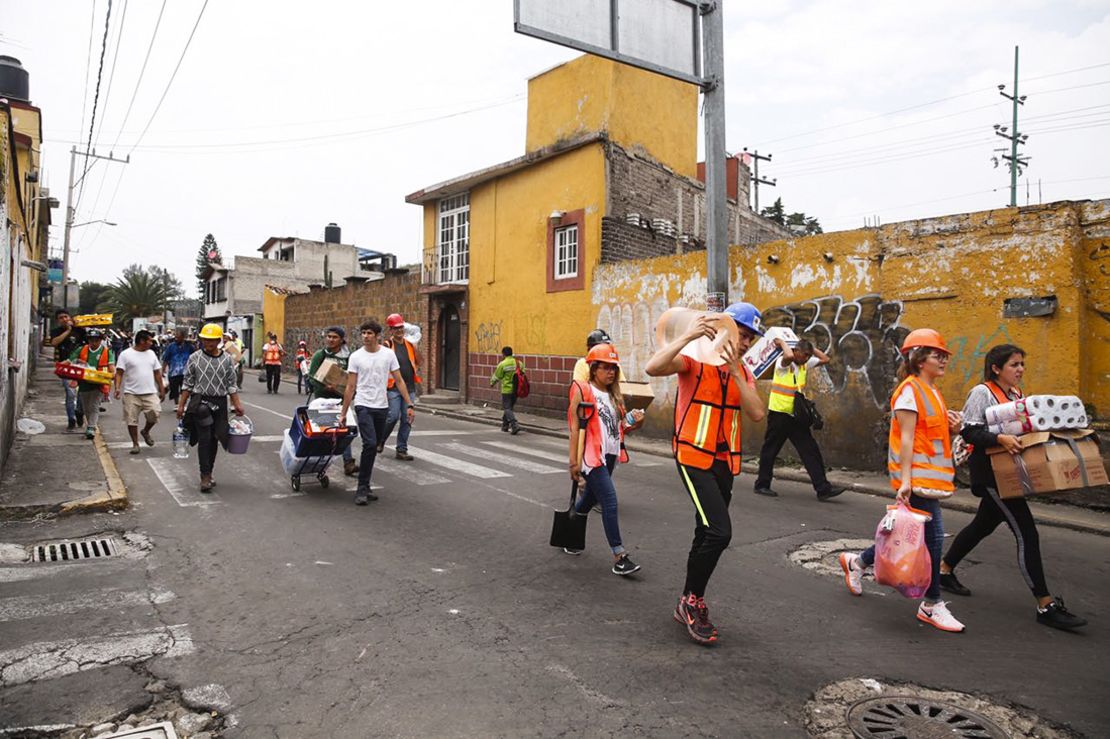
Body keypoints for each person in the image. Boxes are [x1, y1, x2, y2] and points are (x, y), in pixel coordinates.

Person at [939, 344, 1087, 631]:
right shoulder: (982, 392)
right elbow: (969, 430)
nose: (1020, 370)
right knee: (1027, 533)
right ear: (996, 368)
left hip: (1011, 472)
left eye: (1022, 365)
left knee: (983, 525)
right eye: (1014, 365)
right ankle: (1045, 605)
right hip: (991, 475)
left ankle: (944, 570)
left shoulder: (1017, 395)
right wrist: (1000, 440)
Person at [645, 303, 767, 645]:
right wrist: (688, 335)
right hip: (692, 454)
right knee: (718, 531)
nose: (745, 343)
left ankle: (689, 600)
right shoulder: (694, 361)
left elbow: (756, 413)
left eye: (750, 338)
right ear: (726, 329)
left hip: (724, 462)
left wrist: (735, 369)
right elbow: (652, 367)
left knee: (705, 531)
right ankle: (691, 600)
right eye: (741, 334)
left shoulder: (742, 370)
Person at [838, 329, 965, 633]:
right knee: (933, 539)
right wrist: (905, 482)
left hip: (930, 477)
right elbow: (906, 439)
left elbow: (930, 437)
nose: (944, 360)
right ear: (920, 359)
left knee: (924, 537)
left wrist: (955, 429)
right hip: (915, 477)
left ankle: (858, 562)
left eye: (944, 355)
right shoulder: (910, 391)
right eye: (938, 355)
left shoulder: (931, 390)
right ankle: (932, 604)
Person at [564, 343, 645, 575]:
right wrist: (574, 462)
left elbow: (617, 428)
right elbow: (574, 427)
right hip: (592, 457)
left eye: (613, 368)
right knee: (609, 501)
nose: (611, 372)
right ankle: (620, 556)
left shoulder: (614, 396)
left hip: (610, 455)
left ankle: (569, 537)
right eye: (605, 367)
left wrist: (635, 421)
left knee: (588, 500)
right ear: (593, 368)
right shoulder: (582, 389)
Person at [753, 338, 845, 500]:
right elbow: (788, 356)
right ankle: (762, 484)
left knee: (810, 451)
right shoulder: (783, 365)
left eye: (809, 356)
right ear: (795, 351)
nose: (807, 358)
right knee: (770, 450)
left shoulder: (804, 365)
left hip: (796, 417)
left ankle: (823, 488)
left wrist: (812, 348)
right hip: (779, 414)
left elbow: (825, 359)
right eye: (805, 355)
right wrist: (782, 342)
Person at [339, 319, 415, 506]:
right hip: (363, 405)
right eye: (363, 333)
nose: (366, 336)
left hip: (382, 406)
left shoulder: (388, 355)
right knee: (370, 444)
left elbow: (399, 380)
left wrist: (410, 404)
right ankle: (362, 488)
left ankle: (366, 486)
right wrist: (343, 412)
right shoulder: (356, 357)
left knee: (374, 445)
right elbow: (350, 386)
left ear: (377, 335)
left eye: (369, 333)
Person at [176, 323, 245, 492]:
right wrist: (181, 405)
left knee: (216, 438)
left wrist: (237, 405)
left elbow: (231, 385)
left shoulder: (227, 360)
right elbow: (188, 384)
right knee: (205, 438)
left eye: (212, 341)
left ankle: (210, 472)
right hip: (201, 402)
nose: (208, 344)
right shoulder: (194, 358)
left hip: (220, 402)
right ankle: (204, 476)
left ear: (219, 340)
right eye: (205, 340)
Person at [307, 326, 358, 476]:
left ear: (342, 340)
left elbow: (351, 379)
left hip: (341, 401)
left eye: (334, 337)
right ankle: (317, 464)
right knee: (325, 434)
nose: (330, 339)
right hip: (322, 401)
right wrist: (325, 386)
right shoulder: (320, 355)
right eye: (329, 336)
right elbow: (311, 377)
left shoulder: (348, 358)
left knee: (344, 431)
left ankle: (348, 463)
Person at [114, 330, 165, 455]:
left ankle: (146, 431)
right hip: (131, 393)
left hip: (150, 392)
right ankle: (135, 444)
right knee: (132, 420)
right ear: (142, 341)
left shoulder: (151, 354)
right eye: (149, 340)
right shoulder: (125, 354)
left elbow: (157, 373)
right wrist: (117, 388)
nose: (151, 343)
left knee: (155, 413)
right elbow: (119, 372)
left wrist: (161, 388)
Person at [380, 313, 422, 461]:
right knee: (392, 416)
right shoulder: (387, 345)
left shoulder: (410, 344)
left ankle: (401, 449)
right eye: (396, 328)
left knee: (407, 419)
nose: (399, 331)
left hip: (409, 387)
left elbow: (419, 361)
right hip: (393, 387)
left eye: (401, 327)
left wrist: (416, 348)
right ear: (390, 330)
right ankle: (381, 440)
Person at [69, 329, 116, 440]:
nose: (94, 342)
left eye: (97, 340)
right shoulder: (81, 350)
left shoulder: (106, 351)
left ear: (100, 340)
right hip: (84, 383)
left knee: (94, 406)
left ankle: (91, 427)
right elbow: (71, 361)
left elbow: (111, 365)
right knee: (86, 407)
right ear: (88, 340)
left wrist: (112, 374)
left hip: (98, 383)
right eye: (92, 340)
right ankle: (89, 423)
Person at [46, 309, 86, 430]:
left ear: (70, 317)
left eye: (66, 316)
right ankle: (71, 419)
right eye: (61, 318)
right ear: (58, 320)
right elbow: (54, 343)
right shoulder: (56, 332)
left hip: (80, 366)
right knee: (70, 394)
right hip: (66, 367)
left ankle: (79, 412)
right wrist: (68, 331)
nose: (64, 319)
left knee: (82, 394)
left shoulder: (79, 330)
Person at [490, 346, 523, 435]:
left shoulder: (503, 364)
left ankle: (514, 424)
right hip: (516, 389)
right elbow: (523, 374)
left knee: (507, 408)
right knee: (509, 408)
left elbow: (497, 376)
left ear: (503, 354)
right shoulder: (519, 363)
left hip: (507, 389)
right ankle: (505, 426)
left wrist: (492, 383)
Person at [161, 329, 196, 404]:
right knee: (174, 390)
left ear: (183, 337)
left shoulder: (189, 346)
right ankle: (177, 404)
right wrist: (163, 369)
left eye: (178, 337)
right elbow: (165, 358)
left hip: (186, 372)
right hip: (173, 372)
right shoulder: (171, 346)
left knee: (185, 389)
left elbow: (195, 357)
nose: (176, 339)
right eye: (175, 337)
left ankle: (182, 403)